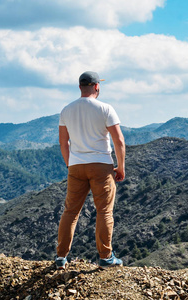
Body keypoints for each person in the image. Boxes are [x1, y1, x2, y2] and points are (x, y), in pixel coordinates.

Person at [55, 71, 125, 270]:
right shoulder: (106, 108)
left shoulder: (66, 110)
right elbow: (118, 140)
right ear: (97, 87)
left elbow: (63, 142)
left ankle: (61, 257)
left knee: (70, 211)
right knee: (104, 211)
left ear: (80, 87)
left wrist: (70, 164)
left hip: (76, 166)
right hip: (101, 165)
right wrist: (120, 167)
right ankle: (105, 257)